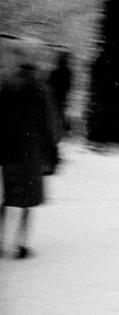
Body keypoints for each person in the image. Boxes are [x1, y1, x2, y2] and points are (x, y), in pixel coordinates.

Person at [0, 63, 60, 259]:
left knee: (8, 198)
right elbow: (51, 126)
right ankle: (21, 245)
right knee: (27, 201)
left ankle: (1, 241)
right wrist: (52, 153)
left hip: (9, 152)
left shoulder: (7, 88)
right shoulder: (41, 91)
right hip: (32, 154)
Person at [48, 50, 73, 136]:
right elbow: (69, 85)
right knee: (62, 112)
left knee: (56, 112)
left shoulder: (55, 72)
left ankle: (63, 128)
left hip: (55, 95)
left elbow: (49, 82)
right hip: (62, 95)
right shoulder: (68, 72)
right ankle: (66, 129)